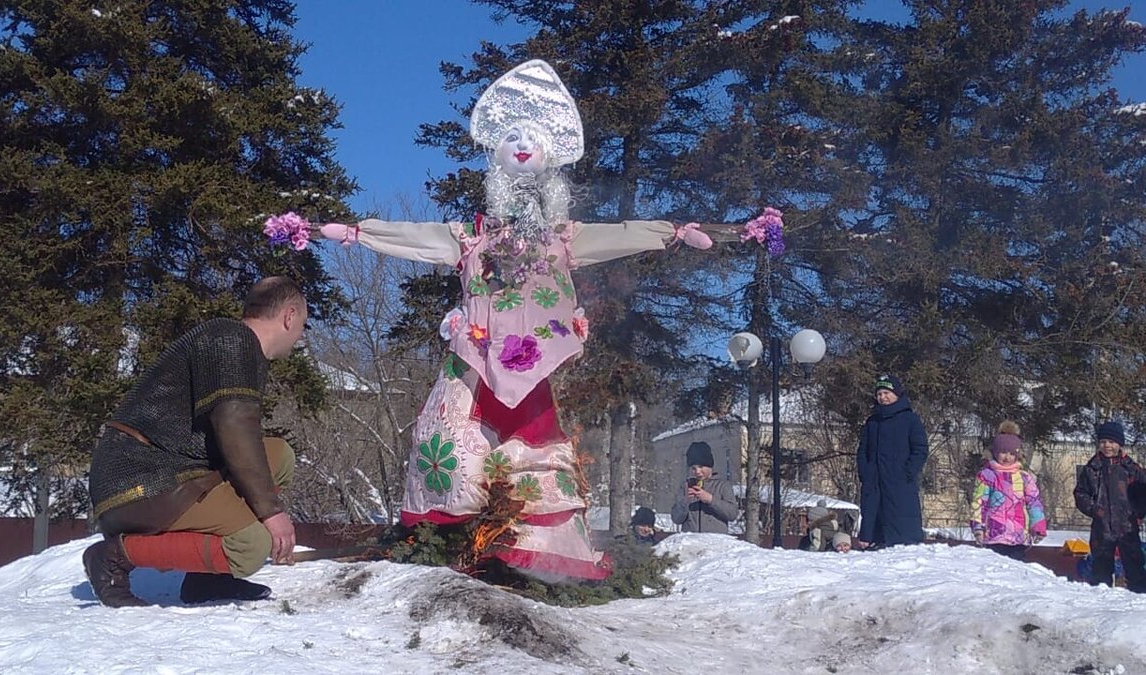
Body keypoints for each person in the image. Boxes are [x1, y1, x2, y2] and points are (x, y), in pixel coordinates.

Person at [273, 61, 722, 581]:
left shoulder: (564, 238)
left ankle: (531, 555)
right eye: (513, 139)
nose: (523, 149)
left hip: (528, 371)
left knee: (528, 452)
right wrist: (350, 232)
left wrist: (668, 232)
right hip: (473, 361)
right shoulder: (469, 236)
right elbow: (412, 237)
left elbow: (618, 233)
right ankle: (449, 541)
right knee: (452, 441)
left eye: (532, 142)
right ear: (497, 158)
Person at [83, 277, 307, 607]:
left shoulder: (236, 342)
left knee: (280, 455)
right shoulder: (232, 339)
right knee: (250, 546)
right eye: (303, 324)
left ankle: (207, 582)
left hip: (176, 472)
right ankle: (113, 557)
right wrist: (272, 513)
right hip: (140, 481)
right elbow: (233, 424)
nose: (300, 335)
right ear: (289, 316)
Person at [856, 374, 929, 548]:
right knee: (874, 515)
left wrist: (908, 471)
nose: (883, 397)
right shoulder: (872, 422)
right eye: (879, 393)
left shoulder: (910, 419)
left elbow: (920, 449)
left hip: (900, 482)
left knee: (902, 525)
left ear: (897, 394)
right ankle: (873, 540)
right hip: (874, 481)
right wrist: (865, 472)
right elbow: (862, 451)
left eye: (887, 392)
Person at [1074, 420, 1146, 592]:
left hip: (1127, 526)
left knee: (1135, 566)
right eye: (1103, 442)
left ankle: (1140, 600)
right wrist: (1093, 509)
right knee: (1101, 568)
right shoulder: (1092, 468)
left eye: (1112, 442)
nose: (1107, 446)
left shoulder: (1131, 468)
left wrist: (1139, 512)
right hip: (1102, 526)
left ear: (1119, 444)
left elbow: (1143, 491)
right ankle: (1102, 603)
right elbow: (1080, 493)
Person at [969, 421, 1047, 561]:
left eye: (1012, 453)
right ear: (995, 452)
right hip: (994, 535)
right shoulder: (987, 475)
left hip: (1018, 536)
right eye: (1003, 452)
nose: (1007, 457)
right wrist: (977, 527)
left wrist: (1038, 526)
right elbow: (979, 502)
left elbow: (1034, 502)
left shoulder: (1024, 477)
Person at [671, 442, 739, 534]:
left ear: (709, 466)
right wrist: (685, 501)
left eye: (700, 467)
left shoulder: (723, 485)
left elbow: (732, 514)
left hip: (715, 542)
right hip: (691, 541)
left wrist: (711, 500)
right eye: (693, 468)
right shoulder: (685, 486)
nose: (697, 472)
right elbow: (676, 519)